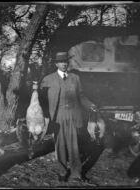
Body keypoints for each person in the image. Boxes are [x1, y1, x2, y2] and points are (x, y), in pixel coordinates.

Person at [39, 52, 98, 182]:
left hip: (73, 115)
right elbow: (41, 98)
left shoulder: (75, 78)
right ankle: (62, 172)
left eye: (66, 62)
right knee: (59, 145)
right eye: (61, 62)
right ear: (56, 64)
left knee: (74, 146)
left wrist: (90, 105)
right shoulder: (48, 79)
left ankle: (76, 173)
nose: (64, 64)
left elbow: (81, 96)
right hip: (57, 117)